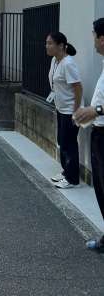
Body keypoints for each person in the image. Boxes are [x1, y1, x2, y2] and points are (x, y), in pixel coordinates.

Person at [73, 18, 104, 253]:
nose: (92, 40)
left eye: (94, 35)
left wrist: (96, 110)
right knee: (101, 189)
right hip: (98, 133)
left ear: (102, 39)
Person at [46, 32, 83, 189]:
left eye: (50, 43)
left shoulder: (68, 64)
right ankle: (66, 171)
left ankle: (72, 179)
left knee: (69, 143)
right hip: (61, 109)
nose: (47, 46)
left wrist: (76, 112)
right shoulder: (55, 60)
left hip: (70, 111)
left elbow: (78, 88)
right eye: (46, 43)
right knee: (62, 141)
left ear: (60, 46)